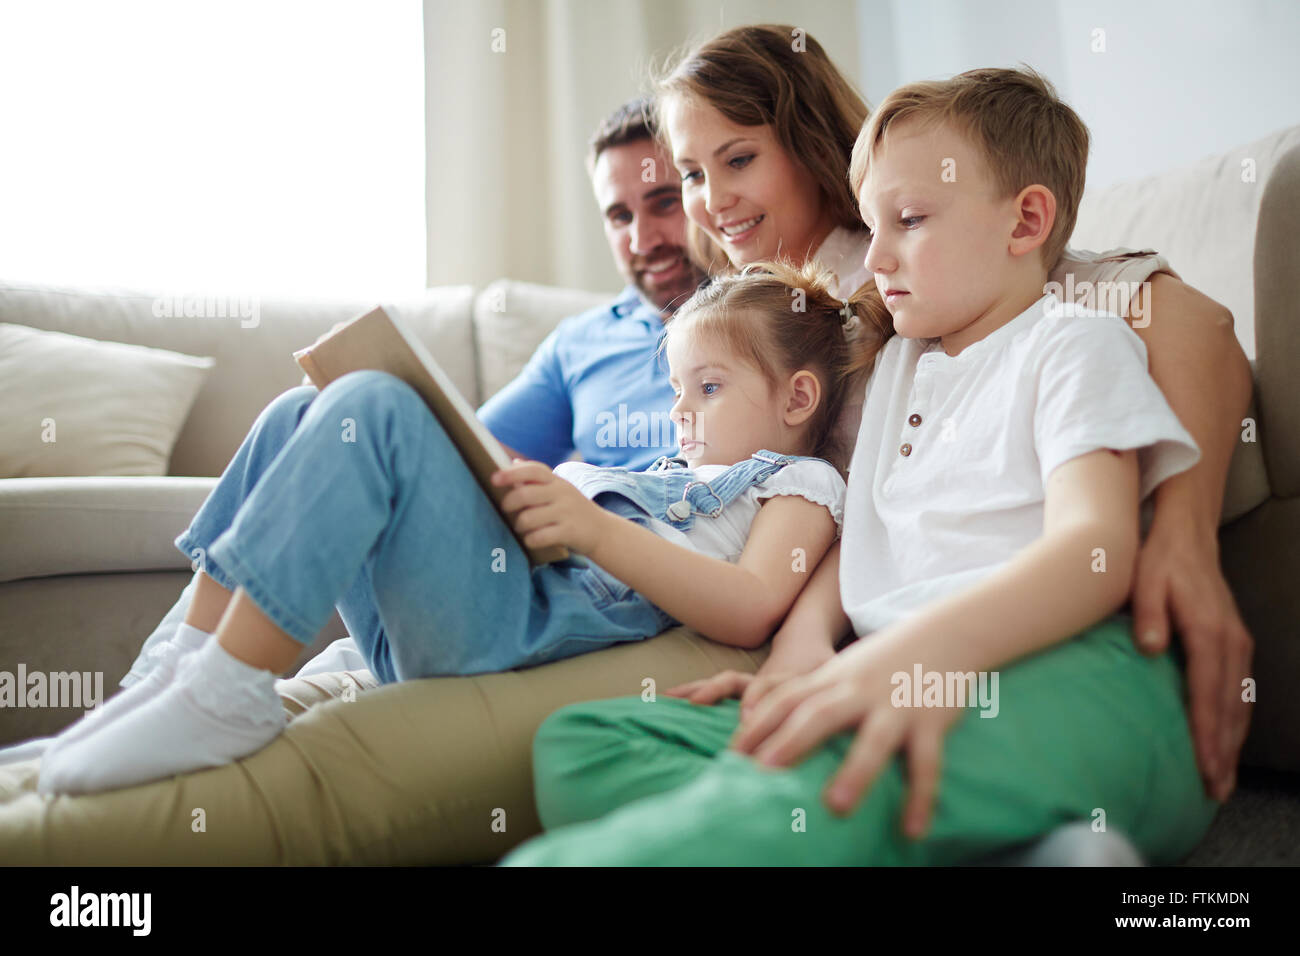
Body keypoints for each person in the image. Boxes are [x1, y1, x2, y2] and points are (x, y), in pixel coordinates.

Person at [500, 66, 1219, 866]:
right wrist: (804, 651)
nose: (874, 258)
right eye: (871, 227)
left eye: (908, 219)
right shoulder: (897, 364)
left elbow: (1097, 550)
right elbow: (867, 528)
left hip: (1067, 676)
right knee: (585, 745)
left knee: (785, 796)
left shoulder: (1071, 344)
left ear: (1026, 222)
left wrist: (906, 662)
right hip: (895, 671)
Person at [647, 22, 1251, 807]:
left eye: (739, 158)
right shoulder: (731, 317)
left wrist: (1182, 532)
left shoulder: (930, 279)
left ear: (806, 141)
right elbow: (861, 513)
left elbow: (1190, 324)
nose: (712, 199)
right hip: (791, 600)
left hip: (920, 630)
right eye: (690, 173)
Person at [35, 257, 869, 795]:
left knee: (370, 406)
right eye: (677, 392)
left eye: (710, 389)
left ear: (798, 398)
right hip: (472, 607)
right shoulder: (669, 473)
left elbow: (756, 604)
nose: (681, 413)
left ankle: (228, 695)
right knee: (305, 408)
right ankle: (178, 670)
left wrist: (597, 529)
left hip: (523, 627)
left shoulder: (800, 484)